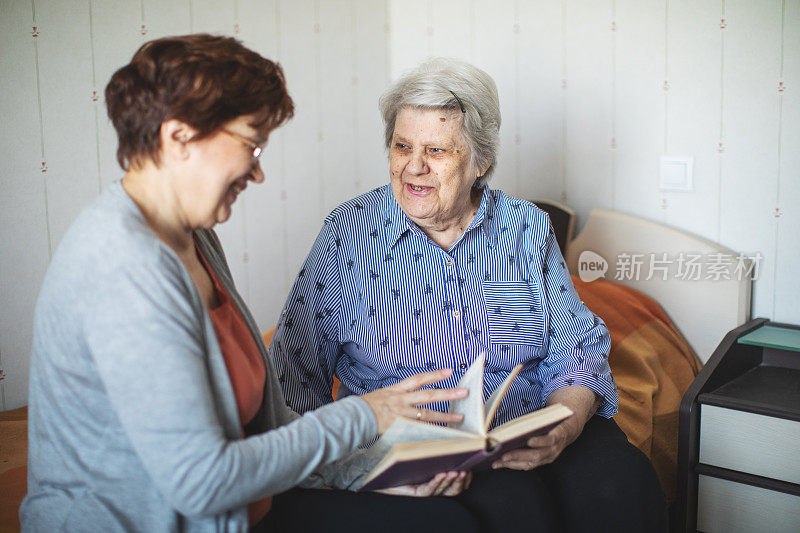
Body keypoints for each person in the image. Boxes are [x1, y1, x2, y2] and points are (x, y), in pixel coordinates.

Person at [21, 36, 477, 533]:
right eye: (250, 145)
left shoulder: (195, 237)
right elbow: (202, 481)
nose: (258, 172)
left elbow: (272, 433)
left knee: (447, 518)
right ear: (179, 139)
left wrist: (374, 473)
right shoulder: (121, 268)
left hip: (252, 507)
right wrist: (366, 416)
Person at [270, 58, 667, 531]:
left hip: (527, 425)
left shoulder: (525, 229)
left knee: (622, 483)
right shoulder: (347, 235)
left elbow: (574, 345)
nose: (413, 167)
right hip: (418, 446)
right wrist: (335, 471)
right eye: (402, 146)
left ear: (482, 162)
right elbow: (294, 372)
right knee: (512, 505)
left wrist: (565, 422)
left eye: (436, 150)